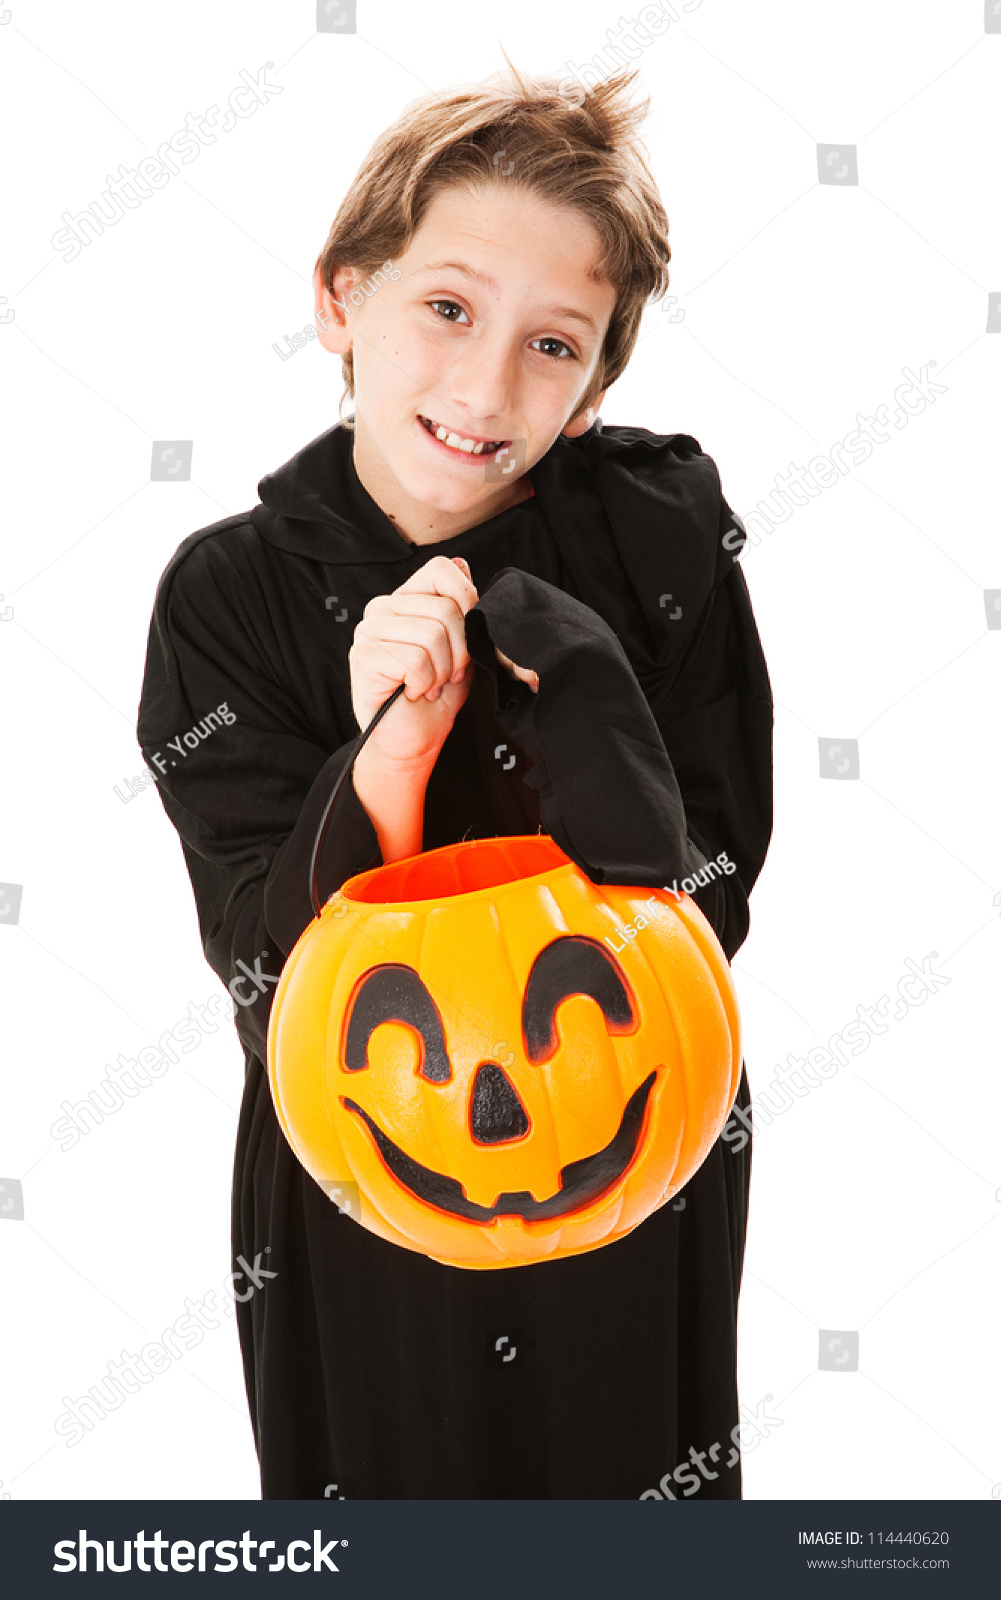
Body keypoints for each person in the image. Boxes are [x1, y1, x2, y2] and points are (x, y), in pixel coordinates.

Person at [136, 63, 773, 1499]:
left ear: (599, 382)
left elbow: (705, 903)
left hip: (631, 1143)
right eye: (444, 308)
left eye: (554, 346)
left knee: (638, 1518)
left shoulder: (661, 543)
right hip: (370, 1170)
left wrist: (594, 695)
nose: (486, 388)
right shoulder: (227, 596)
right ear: (338, 300)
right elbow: (265, 966)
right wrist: (392, 766)